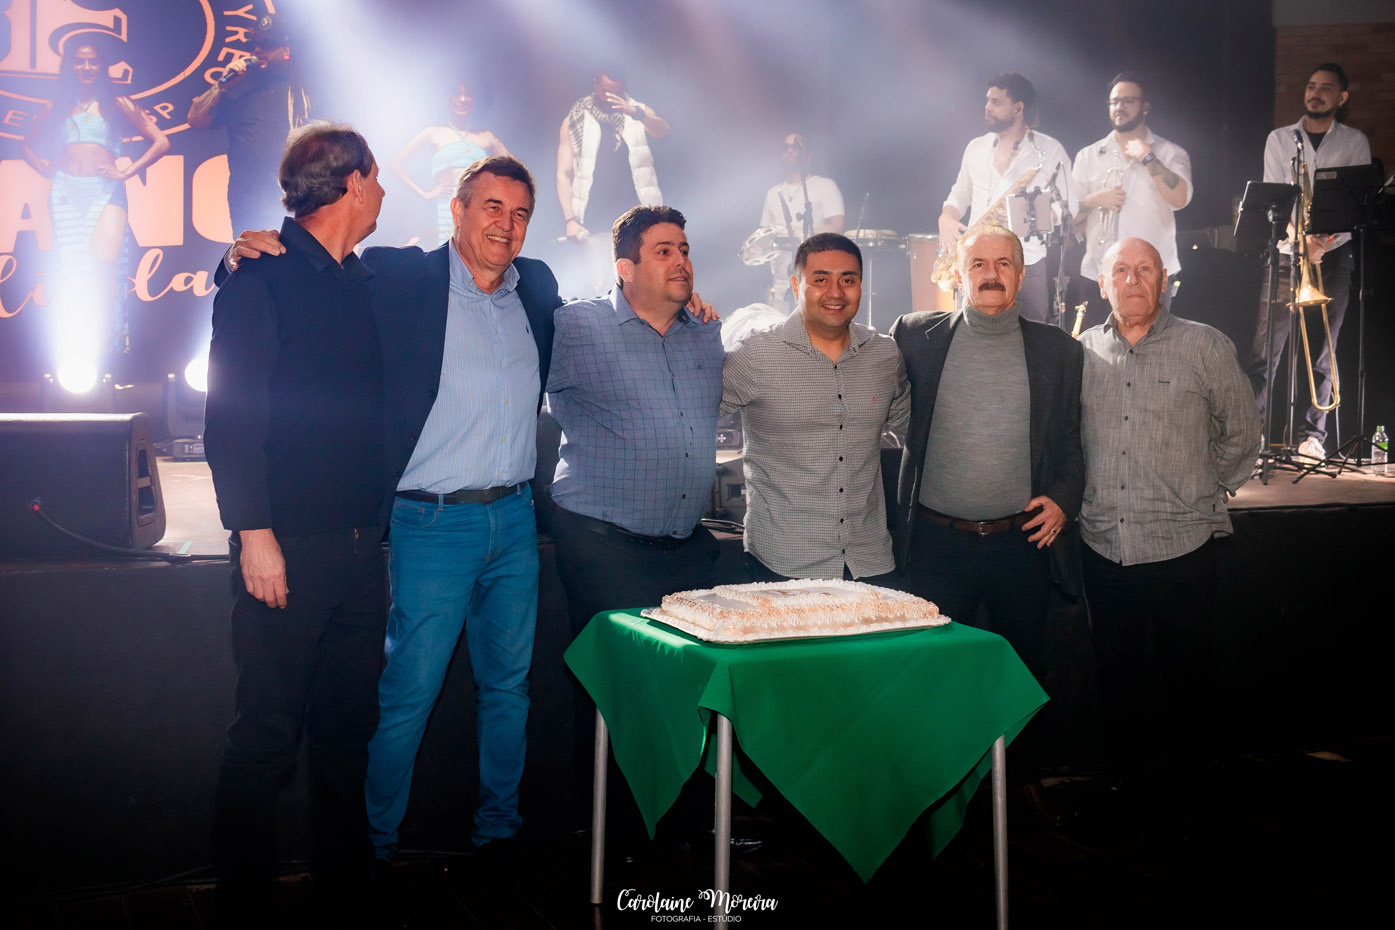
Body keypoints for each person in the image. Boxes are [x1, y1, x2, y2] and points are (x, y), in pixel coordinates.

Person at [219, 155, 564, 867]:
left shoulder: (537, 288)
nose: (506, 225)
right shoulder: (397, 275)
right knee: (405, 695)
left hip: (513, 522)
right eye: (492, 207)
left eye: (521, 213)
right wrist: (231, 259)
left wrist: (684, 306)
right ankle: (372, 845)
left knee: (509, 690)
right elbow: (295, 279)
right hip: (430, 523)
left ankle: (499, 831)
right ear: (457, 211)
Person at [204, 123, 387, 919]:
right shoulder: (259, 278)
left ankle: (344, 890)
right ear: (354, 183)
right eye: (378, 179)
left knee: (348, 732)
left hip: (361, 550)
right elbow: (230, 418)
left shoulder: (362, 279)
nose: (384, 193)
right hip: (286, 549)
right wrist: (254, 534)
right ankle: (241, 901)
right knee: (267, 737)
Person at [890, 224, 1083, 816]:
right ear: (959, 272)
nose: (991, 274)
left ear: (1021, 276)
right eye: (979, 263)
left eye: (1003, 263)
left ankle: (1019, 778)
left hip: (1020, 543)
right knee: (933, 668)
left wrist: (1063, 499)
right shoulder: (915, 335)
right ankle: (936, 784)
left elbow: (1073, 443)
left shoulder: (1059, 350)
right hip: (934, 543)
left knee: (1022, 666)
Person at [1078, 236, 1258, 774]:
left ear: (1163, 280)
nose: (1132, 280)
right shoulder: (1081, 351)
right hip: (1104, 547)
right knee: (1116, 682)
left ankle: (1193, 793)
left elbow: (1242, 433)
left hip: (1183, 545)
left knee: (1191, 681)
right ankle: (1121, 789)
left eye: (1145, 269)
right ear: (1103, 283)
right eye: (1121, 270)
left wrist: (1206, 489)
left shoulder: (1205, 346)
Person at [547, 205, 723, 627]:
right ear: (625, 268)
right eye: (664, 251)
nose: (681, 261)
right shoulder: (576, 325)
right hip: (603, 548)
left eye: (684, 250)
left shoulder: (704, 332)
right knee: (615, 666)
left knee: (686, 665)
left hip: (688, 551)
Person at [723, 232, 907, 582]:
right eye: (820, 279)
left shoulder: (884, 354)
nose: (835, 292)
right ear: (796, 285)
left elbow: (917, 427)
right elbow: (688, 419)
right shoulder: (754, 355)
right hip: (784, 562)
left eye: (847, 280)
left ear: (861, 286)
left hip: (871, 560)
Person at [21, 40, 169, 370]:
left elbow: (161, 142)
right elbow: (27, 146)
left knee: (105, 262)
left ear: (101, 67)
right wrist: (44, 167)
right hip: (65, 190)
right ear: (70, 65)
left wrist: (127, 170)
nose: (86, 68)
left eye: (93, 62)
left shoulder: (117, 104)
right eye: (80, 61)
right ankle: (79, 342)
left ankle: (110, 342)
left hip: (105, 189)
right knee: (73, 268)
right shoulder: (56, 107)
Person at [1250, 62, 1371, 461]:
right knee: (1266, 350)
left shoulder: (1354, 141)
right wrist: (1301, 240)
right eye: (1311, 86)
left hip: (1333, 256)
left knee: (1324, 353)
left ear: (1342, 97)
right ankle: (1250, 436)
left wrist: (1323, 243)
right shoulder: (1279, 139)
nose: (1315, 93)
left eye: (1325, 88)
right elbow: (1274, 200)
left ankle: (1312, 436)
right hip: (1287, 256)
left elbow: (1355, 204)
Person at [938, 73, 1074, 324]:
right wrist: (946, 217)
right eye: (987, 101)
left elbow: (1069, 207)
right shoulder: (976, 147)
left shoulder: (1050, 150)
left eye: (996, 102)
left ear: (1018, 108)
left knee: (1032, 339)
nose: (987, 107)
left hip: (1026, 263)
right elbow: (960, 193)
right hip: (977, 260)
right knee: (973, 334)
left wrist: (1024, 217)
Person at [1072, 71, 1192, 327]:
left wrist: (1148, 158)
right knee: (1093, 346)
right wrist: (1094, 200)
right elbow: (1069, 214)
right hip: (1098, 272)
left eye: (1128, 101)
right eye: (1115, 101)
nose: (1120, 107)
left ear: (1145, 107)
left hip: (1150, 275)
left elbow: (1181, 199)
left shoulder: (1168, 152)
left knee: (1150, 344)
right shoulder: (1089, 155)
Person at [188, 14, 308, 235]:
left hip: (298, 198)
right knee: (253, 257)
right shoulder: (239, 84)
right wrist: (221, 85)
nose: (258, 50)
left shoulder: (302, 86)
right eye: (254, 45)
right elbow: (195, 119)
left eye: (267, 45)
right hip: (249, 201)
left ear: (286, 49)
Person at [556, 68, 670, 295]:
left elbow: (663, 130)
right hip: (595, 220)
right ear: (596, 83)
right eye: (605, 90)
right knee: (603, 288)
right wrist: (570, 220)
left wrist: (636, 113)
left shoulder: (637, 111)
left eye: (615, 91)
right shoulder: (576, 118)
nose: (609, 96)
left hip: (640, 218)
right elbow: (563, 173)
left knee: (649, 285)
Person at [389, 81, 511, 247]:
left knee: (472, 251)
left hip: (475, 206)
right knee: (437, 251)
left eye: (467, 94)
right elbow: (395, 164)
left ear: (476, 99)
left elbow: (516, 170)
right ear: (447, 99)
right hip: (442, 204)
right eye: (456, 94)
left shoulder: (486, 136)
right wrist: (424, 193)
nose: (462, 99)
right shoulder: (433, 132)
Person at [757, 133, 845, 311]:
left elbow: (836, 226)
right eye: (786, 147)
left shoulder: (825, 186)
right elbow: (764, 235)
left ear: (809, 154)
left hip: (817, 280)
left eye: (796, 146)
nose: (790, 151)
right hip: (781, 282)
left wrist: (796, 231)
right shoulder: (772, 193)